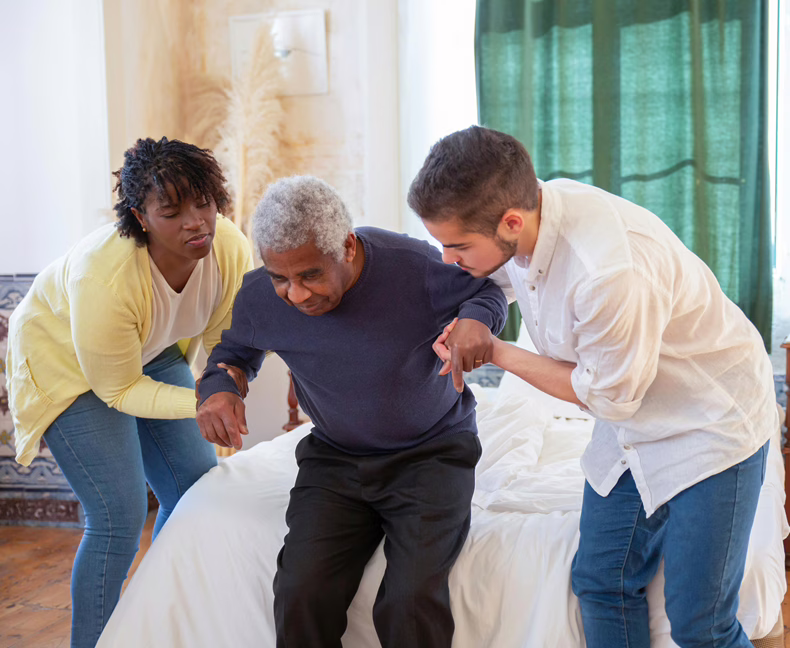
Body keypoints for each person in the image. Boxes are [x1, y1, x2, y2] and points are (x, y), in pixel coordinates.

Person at [407, 125, 778, 648]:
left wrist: (497, 351)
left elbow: (606, 397)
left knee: (701, 625)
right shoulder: (533, 215)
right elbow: (498, 280)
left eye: (458, 246)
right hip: (633, 421)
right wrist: (474, 317)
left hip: (711, 424)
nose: (448, 259)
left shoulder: (606, 272)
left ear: (511, 221)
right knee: (601, 583)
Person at [195, 175, 507, 648]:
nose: (295, 294)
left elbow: (487, 293)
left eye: (311, 275)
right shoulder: (260, 295)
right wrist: (219, 389)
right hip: (336, 459)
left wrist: (475, 321)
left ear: (346, 246)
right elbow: (233, 355)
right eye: (281, 277)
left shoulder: (412, 266)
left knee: (408, 601)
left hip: (431, 454)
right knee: (301, 591)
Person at [6, 137, 253, 648]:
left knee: (194, 492)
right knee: (117, 514)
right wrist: (203, 403)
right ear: (141, 216)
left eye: (204, 202)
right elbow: (116, 389)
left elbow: (224, 342)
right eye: (172, 211)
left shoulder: (227, 245)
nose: (196, 222)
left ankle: (147, 625)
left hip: (149, 344)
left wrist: (224, 387)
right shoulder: (106, 275)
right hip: (67, 364)